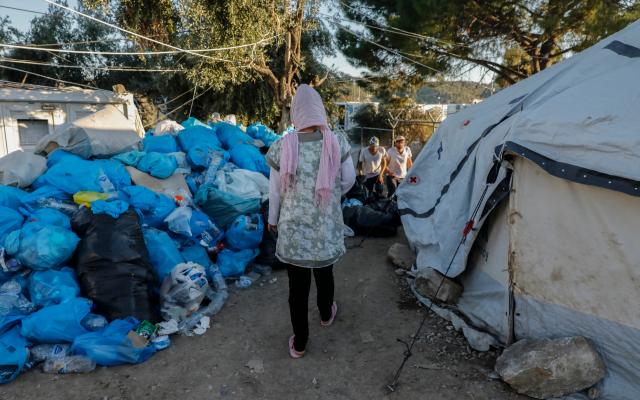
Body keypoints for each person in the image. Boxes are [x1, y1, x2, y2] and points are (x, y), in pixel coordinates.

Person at [266, 84, 356, 359]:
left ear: (296, 113)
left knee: (298, 287)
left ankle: (301, 342)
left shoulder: (282, 145)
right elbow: (350, 179)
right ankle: (327, 314)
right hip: (325, 224)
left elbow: (274, 191)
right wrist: (331, 194)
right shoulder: (336, 141)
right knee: (325, 272)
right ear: (319, 110)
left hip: (293, 228)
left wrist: (272, 220)